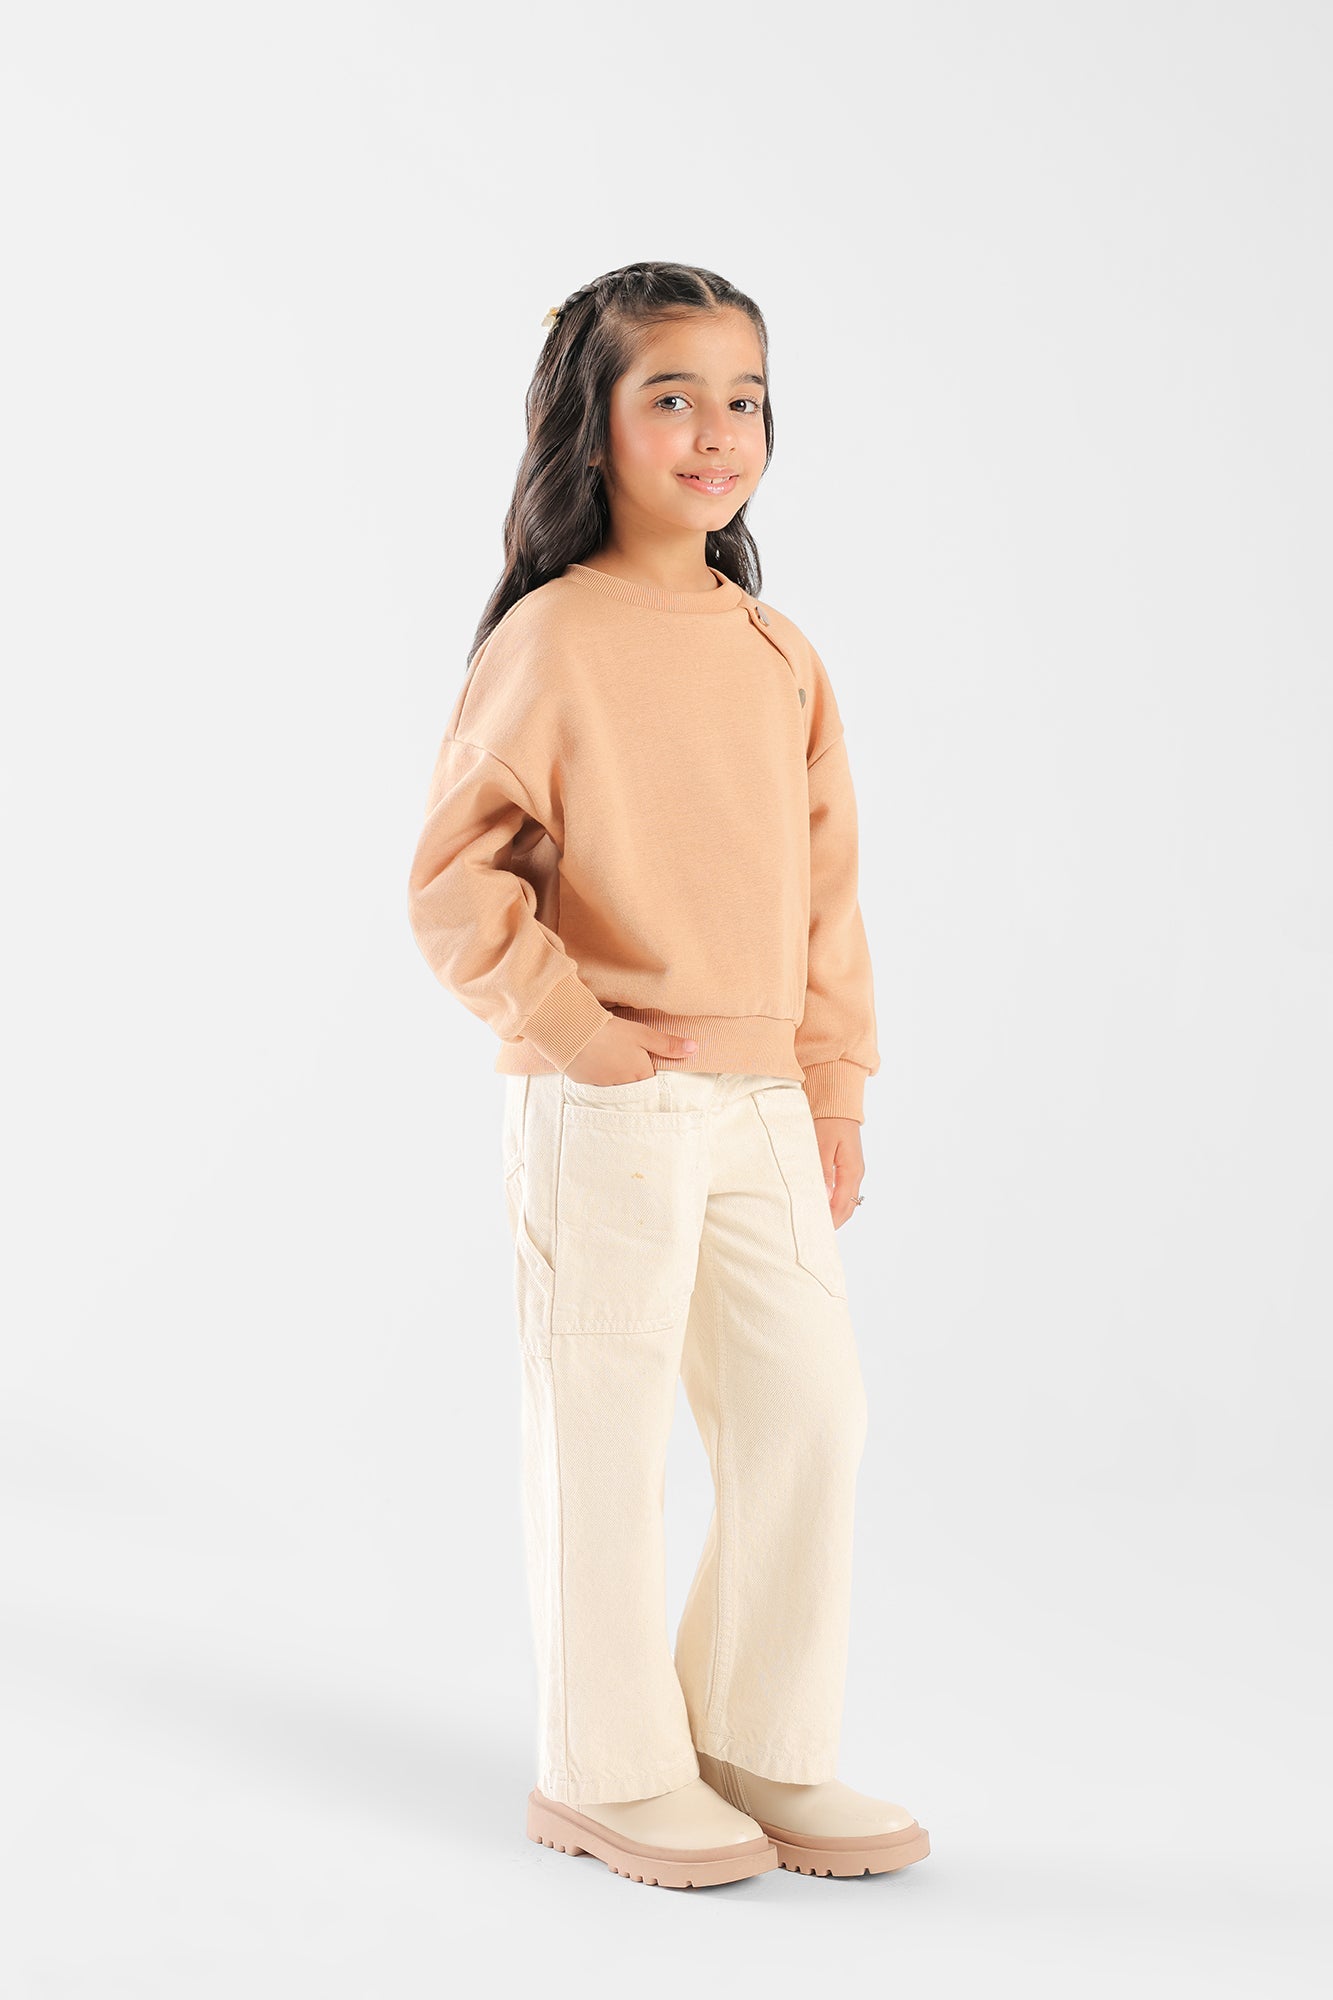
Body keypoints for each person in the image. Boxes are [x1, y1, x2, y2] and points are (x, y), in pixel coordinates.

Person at [407, 261, 930, 1890]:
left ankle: (754, 1737)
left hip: (762, 1099)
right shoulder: (553, 638)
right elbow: (455, 884)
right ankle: (606, 1769)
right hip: (605, 1102)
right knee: (606, 1430)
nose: (716, 433)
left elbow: (827, 901)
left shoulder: (777, 652)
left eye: (743, 399)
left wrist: (833, 1090)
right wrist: (585, 1040)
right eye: (672, 398)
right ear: (594, 427)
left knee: (809, 1415)